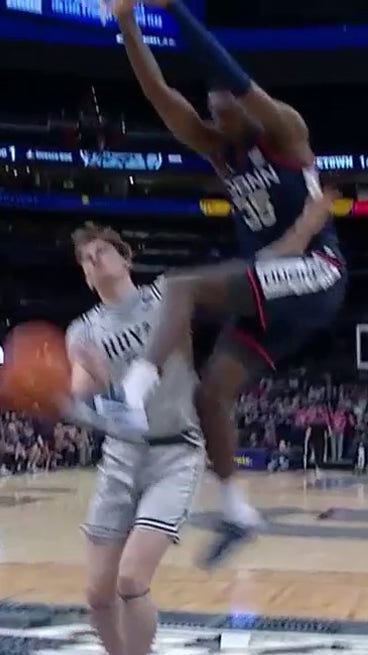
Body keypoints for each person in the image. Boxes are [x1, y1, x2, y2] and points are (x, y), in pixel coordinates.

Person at [110, 0, 344, 568]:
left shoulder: (286, 133)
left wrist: (173, 12)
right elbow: (161, 97)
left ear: (243, 105)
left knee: (183, 286)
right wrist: (126, 23)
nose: (216, 121)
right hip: (272, 285)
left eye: (224, 110)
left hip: (316, 273)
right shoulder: (221, 149)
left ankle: (135, 389)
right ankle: (239, 512)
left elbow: (230, 71)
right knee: (210, 393)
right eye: (212, 113)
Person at [61, 222, 206, 655]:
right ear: (85, 276)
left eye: (102, 251)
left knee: (130, 581)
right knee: (98, 595)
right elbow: (86, 401)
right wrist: (66, 399)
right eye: (86, 259)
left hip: (176, 451)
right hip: (122, 455)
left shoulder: (165, 296)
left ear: (126, 259)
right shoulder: (82, 333)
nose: (93, 260)